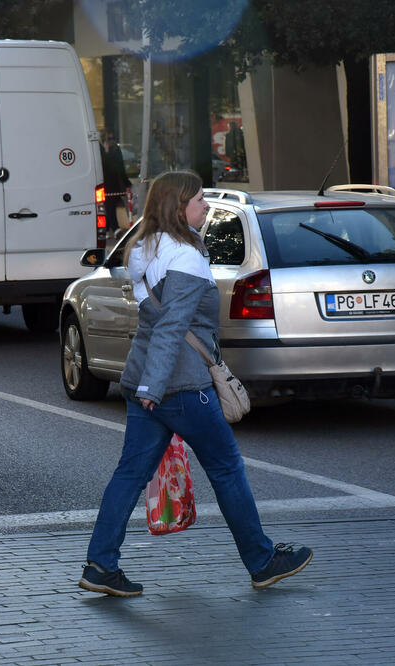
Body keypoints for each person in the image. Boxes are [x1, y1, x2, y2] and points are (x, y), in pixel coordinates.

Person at [78, 170, 312, 597]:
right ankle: (261, 561)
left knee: (130, 473)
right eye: (199, 199)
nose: (205, 206)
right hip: (179, 383)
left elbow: (153, 320)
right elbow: (171, 326)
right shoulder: (185, 255)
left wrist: (145, 386)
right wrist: (154, 388)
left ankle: (100, 565)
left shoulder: (142, 248)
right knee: (226, 467)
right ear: (177, 205)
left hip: (143, 373)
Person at [101, 130, 131, 238]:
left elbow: (121, 167)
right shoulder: (102, 152)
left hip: (115, 184)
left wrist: (126, 182)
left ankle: (107, 229)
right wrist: (106, 151)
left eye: (112, 139)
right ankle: (115, 228)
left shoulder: (116, 151)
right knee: (109, 206)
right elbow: (104, 165)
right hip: (105, 184)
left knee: (110, 206)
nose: (110, 142)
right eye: (107, 139)